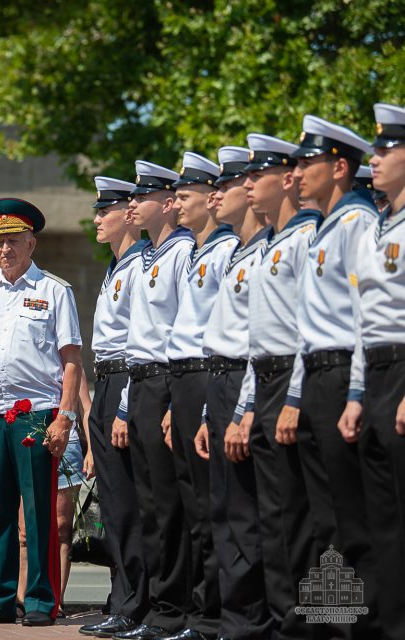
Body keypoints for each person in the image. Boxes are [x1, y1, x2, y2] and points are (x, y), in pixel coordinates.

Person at [0, 197, 84, 627]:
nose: (4, 250)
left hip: (35, 414)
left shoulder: (54, 290)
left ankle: (41, 600)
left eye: (13, 241)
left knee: (39, 511)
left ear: (31, 243)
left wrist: (65, 417)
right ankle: (0, 597)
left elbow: (71, 360)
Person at [289, 115, 380, 638]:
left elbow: (370, 315)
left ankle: (358, 628)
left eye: (308, 163)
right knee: (326, 518)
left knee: (352, 518)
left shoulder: (359, 223)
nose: (298, 173)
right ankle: (332, 624)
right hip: (319, 375)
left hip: (346, 371)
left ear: (339, 167)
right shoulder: (327, 225)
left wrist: (357, 391)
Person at [237, 133, 323, 639]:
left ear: (286, 180)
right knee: (271, 515)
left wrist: (293, 396)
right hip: (265, 381)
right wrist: (248, 405)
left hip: (299, 379)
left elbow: (315, 327)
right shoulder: (271, 243)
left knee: (302, 516)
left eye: (256, 176)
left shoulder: (307, 238)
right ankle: (279, 620)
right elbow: (257, 337)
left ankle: (310, 623)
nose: (248, 186)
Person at [110, 160, 193, 640]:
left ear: (166, 204)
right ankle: (159, 608)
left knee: (170, 505)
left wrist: (166, 401)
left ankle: (173, 608)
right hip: (138, 382)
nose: (132, 205)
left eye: (142, 198)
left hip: (166, 379)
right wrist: (126, 403)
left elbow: (180, 332)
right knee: (148, 505)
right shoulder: (146, 257)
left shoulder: (181, 253)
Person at [195, 146, 274, 640]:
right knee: (222, 510)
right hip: (219, 383)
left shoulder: (265, 249)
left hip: (251, 381)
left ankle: (252, 620)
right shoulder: (239, 253)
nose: (218, 195)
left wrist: (244, 406)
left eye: (228, 186)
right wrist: (210, 409)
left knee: (248, 512)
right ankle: (235, 617)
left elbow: (258, 339)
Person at [160, 152, 237, 640]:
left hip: (211, 377)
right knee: (191, 505)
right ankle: (199, 610)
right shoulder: (199, 252)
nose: (177, 204)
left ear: (211, 199)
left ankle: (215, 613)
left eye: (184, 196)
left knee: (215, 505)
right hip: (183, 380)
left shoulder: (226, 249)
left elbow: (220, 330)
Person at [341, 102, 405, 638]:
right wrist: (359, 394)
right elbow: (364, 321)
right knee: (380, 519)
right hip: (377, 376)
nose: (377, 157)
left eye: (388, 148)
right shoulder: (379, 228)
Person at [78, 176, 150, 638]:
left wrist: (123, 402)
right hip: (107, 380)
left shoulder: (143, 264)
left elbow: (142, 340)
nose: (97, 218)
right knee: (116, 504)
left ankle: (138, 603)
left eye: (105, 211)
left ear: (128, 214)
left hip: (129, 381)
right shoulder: (116, 266)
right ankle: (122, 599)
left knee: (133, 502)